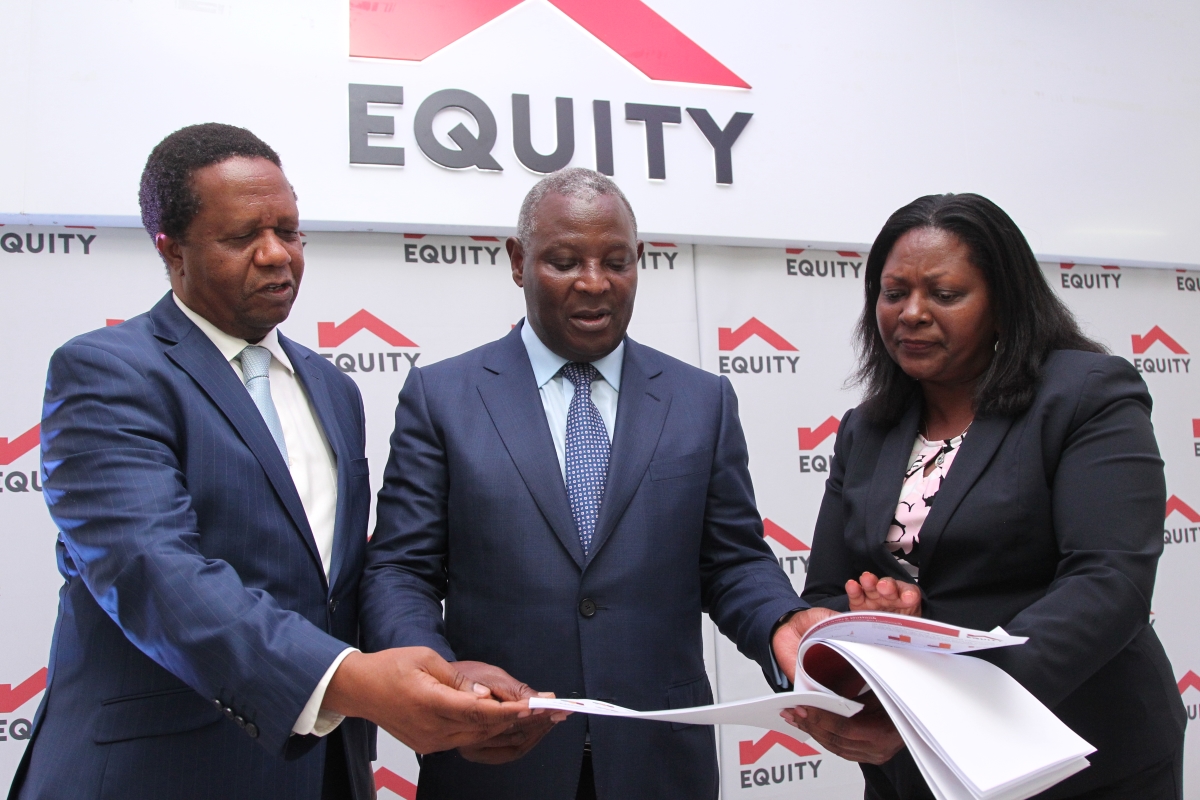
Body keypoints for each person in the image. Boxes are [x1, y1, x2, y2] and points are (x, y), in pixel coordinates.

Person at [9, 124, 528, 800]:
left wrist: (442, 672)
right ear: (171, 252)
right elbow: (154, 572)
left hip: (321, 773)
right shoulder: (106, 373)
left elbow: (338, 586)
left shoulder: (333, 390)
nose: (276, 256)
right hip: (157, 775)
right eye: (241, 238)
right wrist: (347, 680)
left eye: (289, 230)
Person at [360, 168, 833, 799]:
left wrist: (782, 624)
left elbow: (733, 561)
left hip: (659, 761)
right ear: (516, 261)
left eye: (616, 261)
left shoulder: (702, 401)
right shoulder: (442, 398)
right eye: (563, 261)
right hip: (494, 760)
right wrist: (436, 676)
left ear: (639, 261)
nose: (594, 282)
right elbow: (400, 570)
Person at [792, 193, 1186, 799]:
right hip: (916, 768)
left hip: (1073, 751)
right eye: (894, 293)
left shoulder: (1085, 395)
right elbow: (825, 591)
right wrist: (862, 647)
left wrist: (941, 706)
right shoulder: (865, 428)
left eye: (944, 294)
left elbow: (1108, 584)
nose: (912, 313)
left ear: (1004, 303)